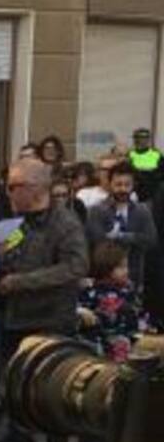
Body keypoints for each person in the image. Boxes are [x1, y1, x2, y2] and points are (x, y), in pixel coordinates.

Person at [0, 158, 90, 442]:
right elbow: (8, 251)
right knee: (14, 380)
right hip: (17, 314)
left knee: (50, 387)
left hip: (50, 316)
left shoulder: (65, 223)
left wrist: (24, 281)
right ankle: (17, 437)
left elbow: (76, 267)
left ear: (34, 188)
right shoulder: (19, 222)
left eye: (13, 187)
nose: (8, 192)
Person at [85, 161, 158, 292]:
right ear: (110, 184)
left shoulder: (142, 210)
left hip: (135, 275)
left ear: (133, 185)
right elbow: (97, 240)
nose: (123, 189)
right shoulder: (96, 210)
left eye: (127, 185)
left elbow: (150, 239)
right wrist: (132, 238)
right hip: (104, 278)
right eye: (118, 185)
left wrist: (123, 236)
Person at [78, 241, 147, 363]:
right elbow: (83, 313)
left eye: (127, 266)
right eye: (121, 267)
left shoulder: (128, 290)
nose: (126, 271)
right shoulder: (91, 291)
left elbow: (138, 314)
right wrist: (83, 312)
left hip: (128, 342)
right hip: (98, 344)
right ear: (107, 268)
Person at [128, 127, 162, 200]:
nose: (142, 140)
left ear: (148, 140)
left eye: (144, 138)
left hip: (152, 193)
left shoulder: (157, 154)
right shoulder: (129, 154)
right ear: (134, 139)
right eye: (138, 137)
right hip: (134, 192)